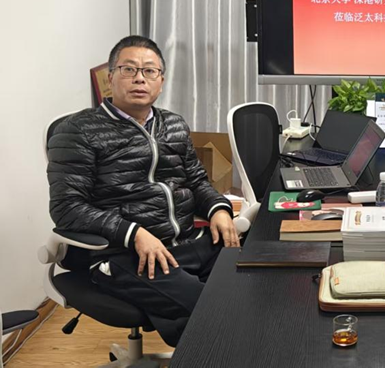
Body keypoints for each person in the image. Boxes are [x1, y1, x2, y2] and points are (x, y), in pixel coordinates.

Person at [47, 35, 240, 347]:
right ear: (110, 78)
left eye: (150, 71)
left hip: (188, 243)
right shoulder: (77, 131)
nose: (140, 78)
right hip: (125, 256)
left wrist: (218, 209)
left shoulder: (174, 125)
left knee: (255, 286)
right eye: (129, 69)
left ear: (161, 81)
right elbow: (67, 208)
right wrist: (134, 233)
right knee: (217, 312)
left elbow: (197, 182)